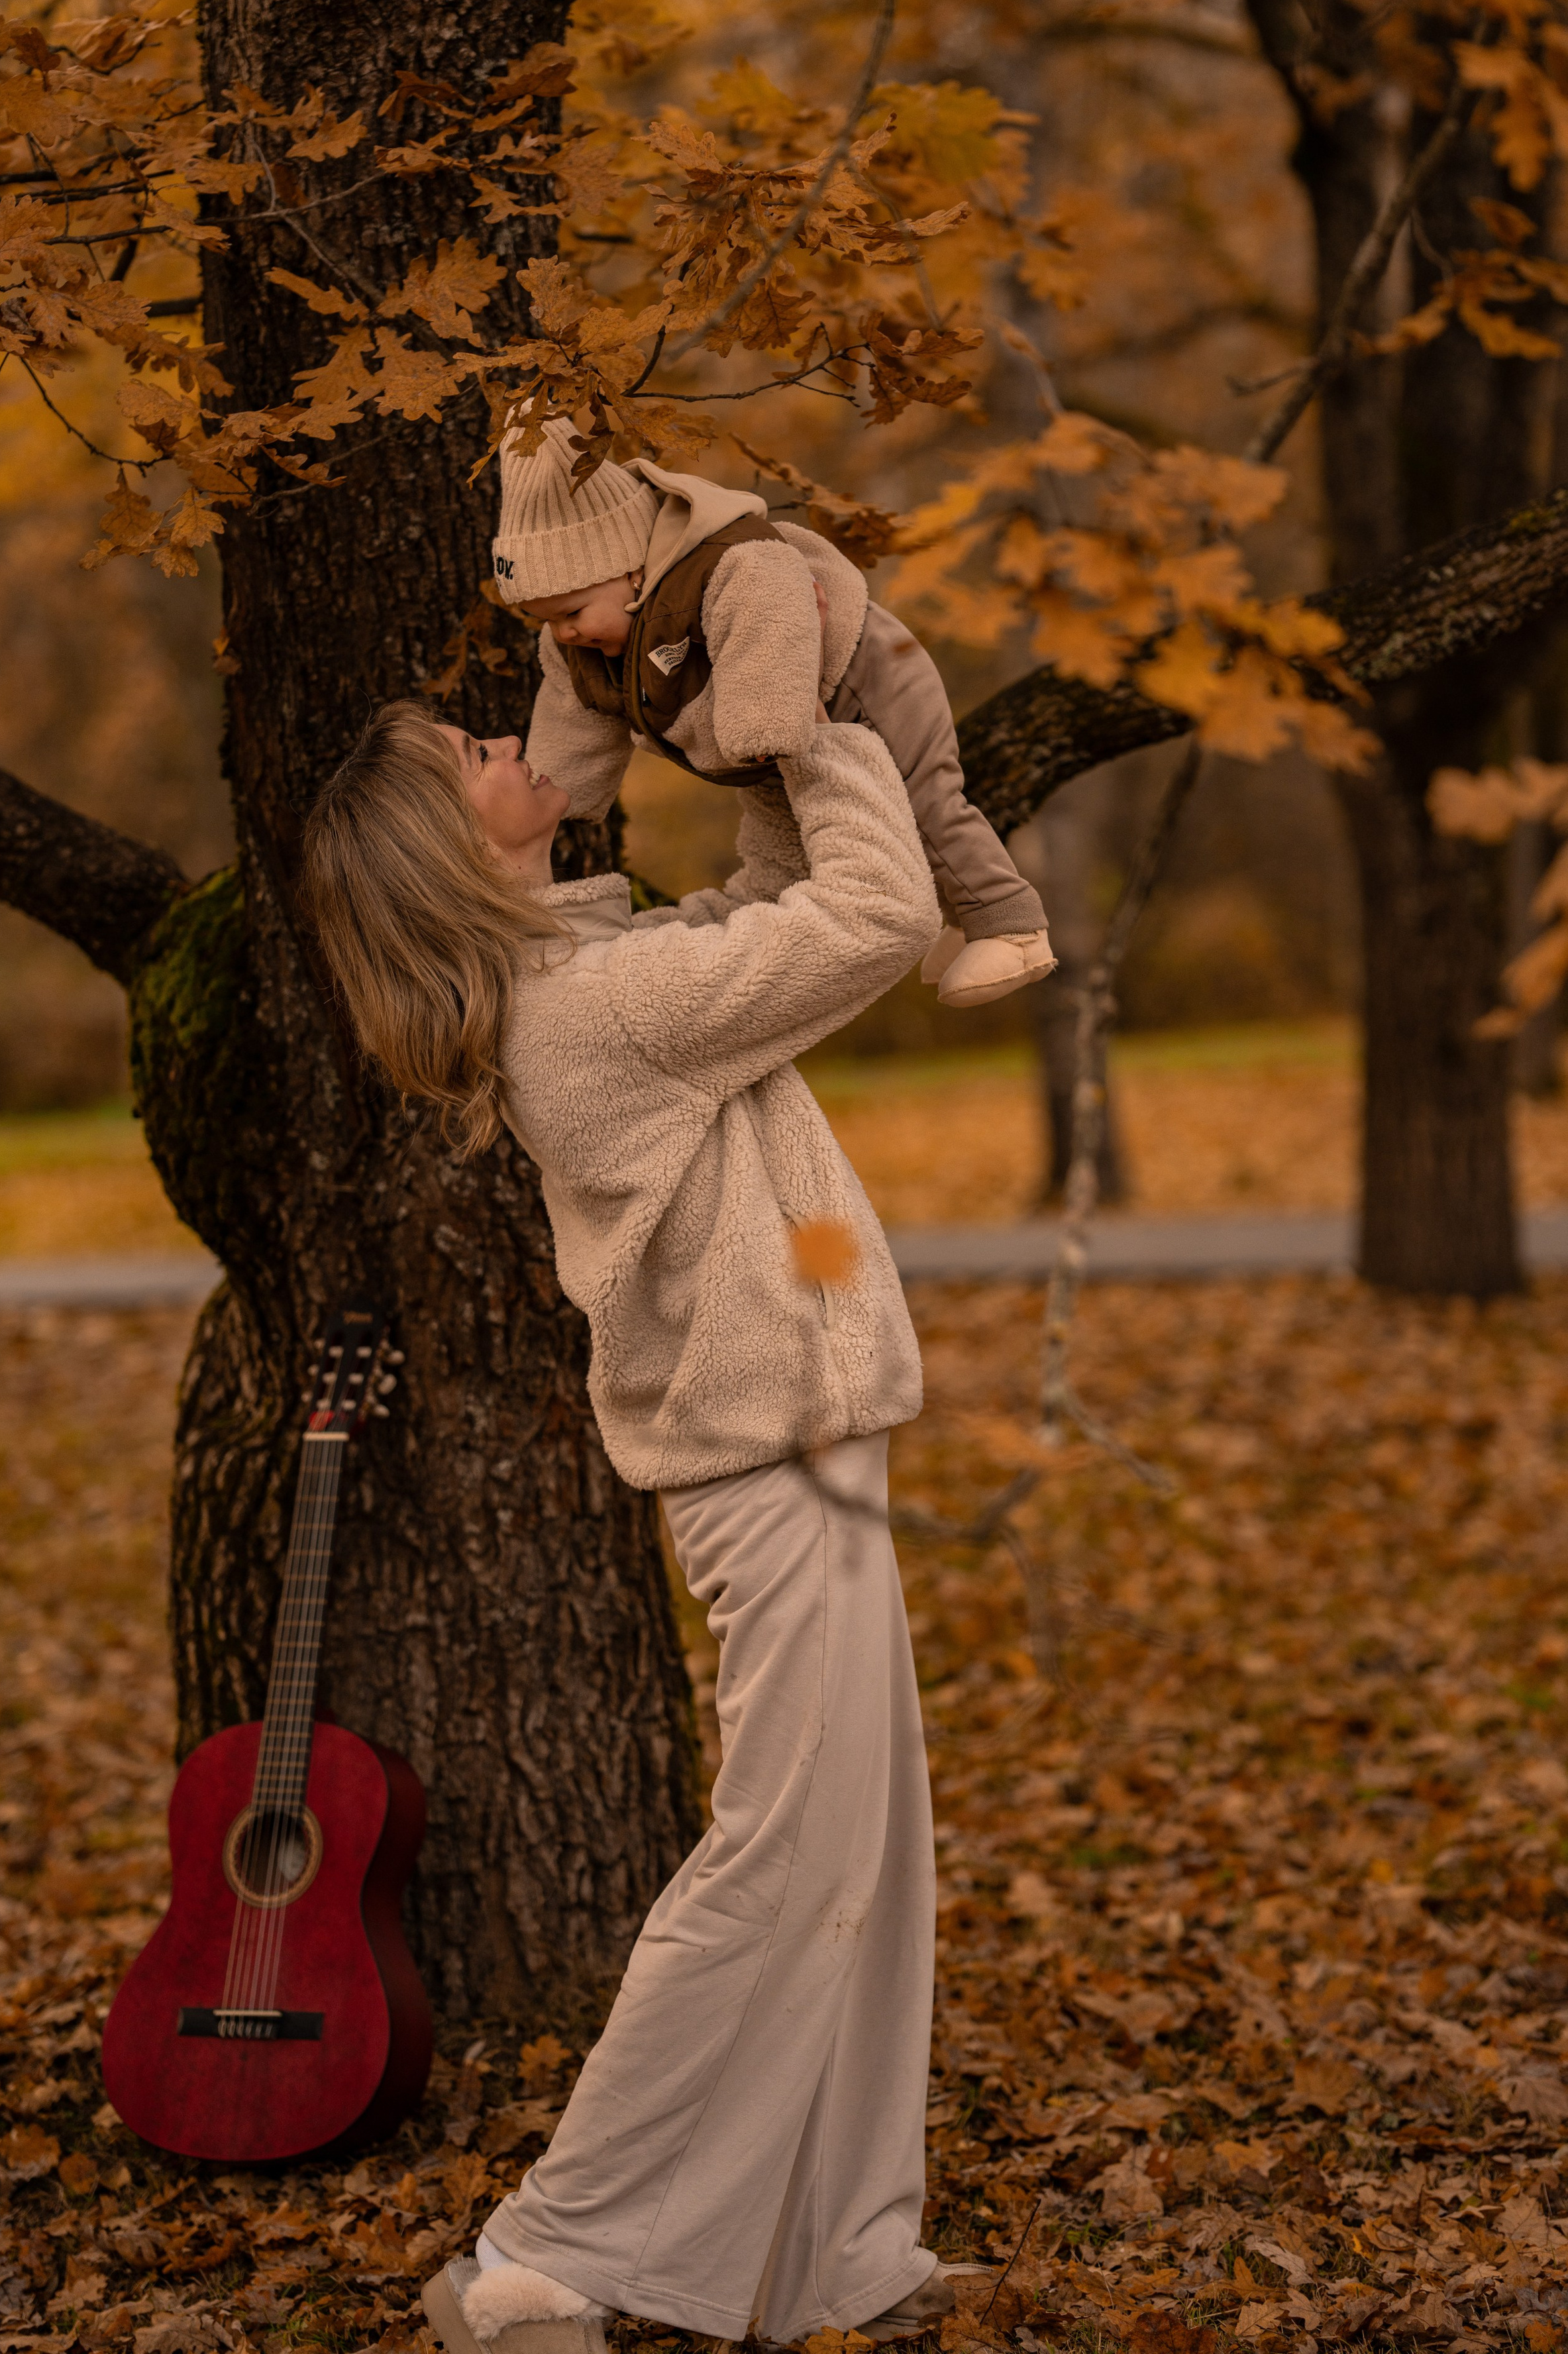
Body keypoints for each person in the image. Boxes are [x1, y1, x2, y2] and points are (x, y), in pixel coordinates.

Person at [301, 704, 983, 2354]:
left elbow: (765, 894)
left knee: (866, 1858)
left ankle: (838, 2245)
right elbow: (876, 914)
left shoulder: (605, 967)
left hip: (804, 1448)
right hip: (767, 1467)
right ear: (450, 851)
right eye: (466, 754)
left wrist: (721, 724)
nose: (497, 736)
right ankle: (540, 2254)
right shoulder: (595, 1012)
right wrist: (812, 720)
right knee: (777, 1851)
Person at [492, 414, 1054, 1012]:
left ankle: (1009, 923)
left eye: (572, 611)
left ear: (630, 569)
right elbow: (572, 708)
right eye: (547, 620)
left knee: (925, 799)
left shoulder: (724, 563)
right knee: (789, 857)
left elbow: (773, 601)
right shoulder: (584, 644)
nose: (564, 631)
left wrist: (766, 720)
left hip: (858, 685)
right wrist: (559, 788)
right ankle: (956, 917)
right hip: (761, 745)